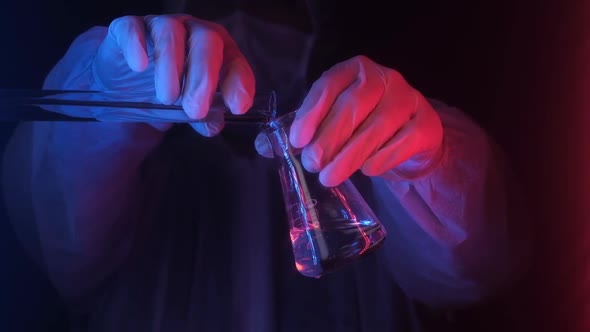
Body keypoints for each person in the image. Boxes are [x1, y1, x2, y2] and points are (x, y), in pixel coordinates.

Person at [1, 0, 531, 331]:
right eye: (220, 2)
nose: (244, 16)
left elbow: (481, 269)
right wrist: (103, 94)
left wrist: (431, 160)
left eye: (271, 4)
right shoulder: (145, 193)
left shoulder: (367, 162)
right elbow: (54, 231)